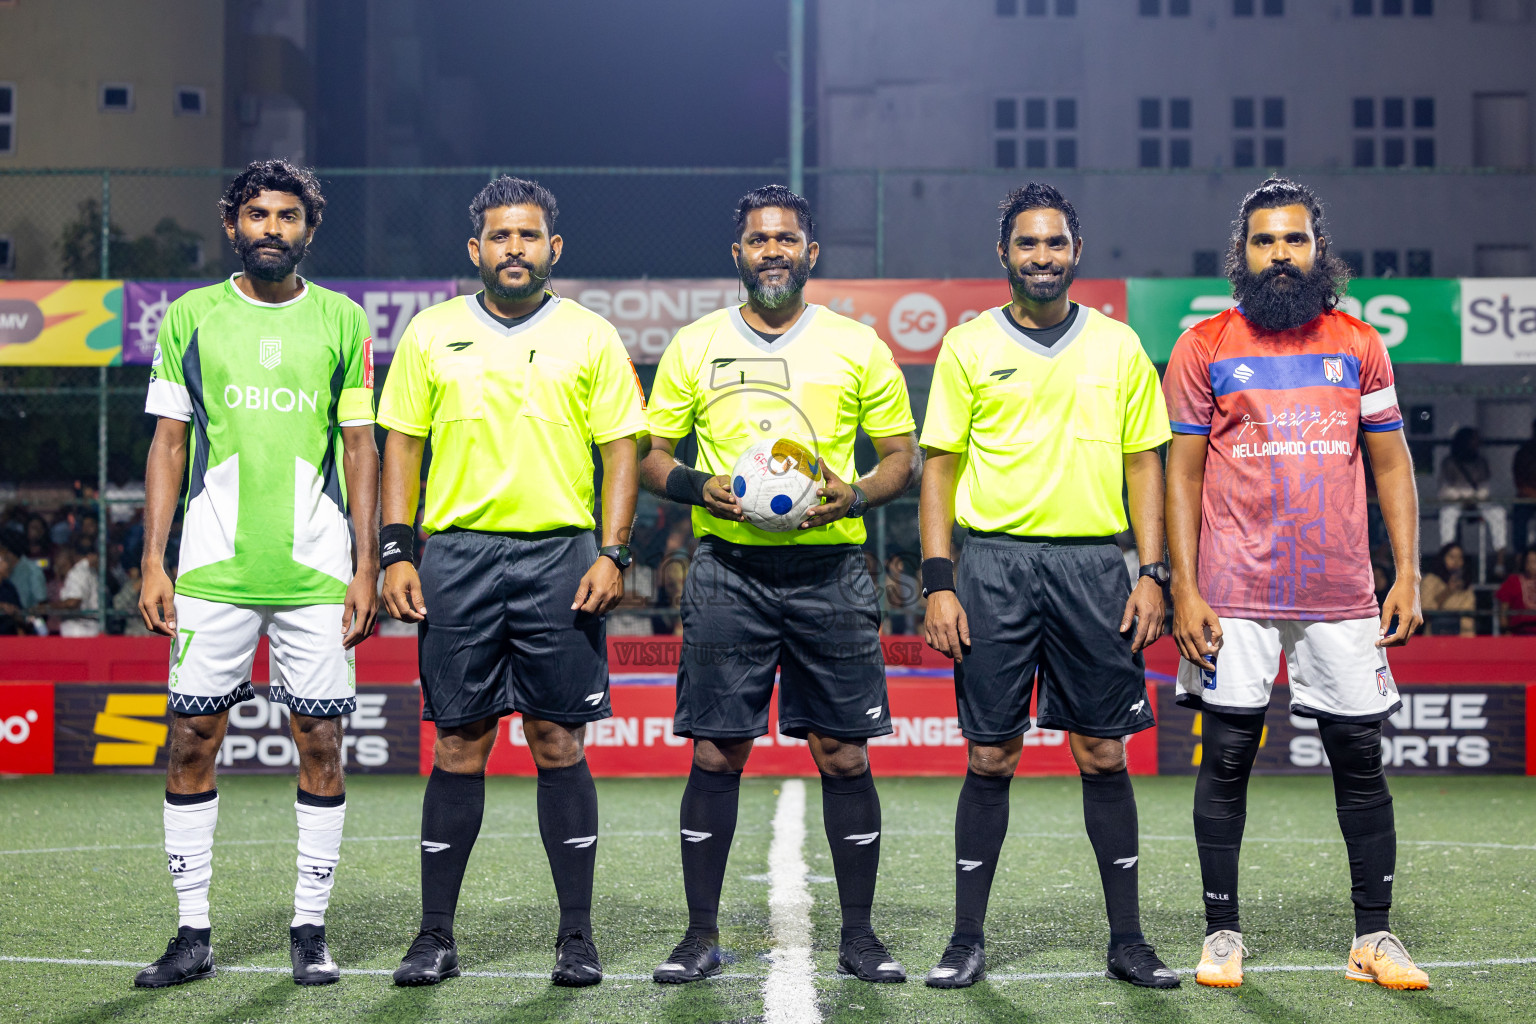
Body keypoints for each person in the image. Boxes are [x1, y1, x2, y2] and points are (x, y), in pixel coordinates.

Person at [640, 184, 919, 984]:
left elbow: (902, 456)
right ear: (738, 254)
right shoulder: (695, 345)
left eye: (787, 239)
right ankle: (700, 935)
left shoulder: (857, 346)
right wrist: (700, 487)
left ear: (810, 254)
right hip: (728, 571)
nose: (773, 251)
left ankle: (859, 937)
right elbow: (654, 455)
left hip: (831, 569)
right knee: (719, 752)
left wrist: (856, 492)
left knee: (842, 755)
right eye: (759, 239)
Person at [379, 176, 647, 988]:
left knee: (556, 739)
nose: (515, 249)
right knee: (459, 743)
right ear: (477, 250)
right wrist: (396, 551)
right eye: (500, 236)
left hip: (560, 558)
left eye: (529, 236)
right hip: (455, 557)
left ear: (553, 249)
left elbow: (621, 451)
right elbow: (401, 446)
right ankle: (433, 937)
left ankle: (576, 937)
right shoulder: (430, 334)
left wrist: (615, 551)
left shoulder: (591, 337)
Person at [1165, 177, 1428, 990]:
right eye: (1264, 242)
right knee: (1230, 754)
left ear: (1319, 248)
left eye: (1294, 240)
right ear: (1240, 254)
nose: (1280, 255)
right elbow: (1180, 475)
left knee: (1359, 756)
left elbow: (1391, 462)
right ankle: (1221, 934)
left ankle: (1374, 939)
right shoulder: (1203, 345)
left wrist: (1408, 572)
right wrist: (1184, 586)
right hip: (1233, 587)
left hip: (1341, 587)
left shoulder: (1360, 344)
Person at [919, 183, 1176, 991]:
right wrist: (939, 582)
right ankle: (965, 939)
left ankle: (1128, 941)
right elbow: (939, 469)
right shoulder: (966, 347)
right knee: (991, 755)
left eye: (1054, 244)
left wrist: (1153, 570)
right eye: (1027, 244)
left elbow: (1146, 464)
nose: (1041, 257)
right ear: (1004, 254)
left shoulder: (1119, 347)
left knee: (1102, 753)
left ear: (1076, 252)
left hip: (1095, 568)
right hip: (993, 566)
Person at [132, 160, 379, 988]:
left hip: (316, 573)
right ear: (231, 222)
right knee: (191, 741)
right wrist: (154, 560)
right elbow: (168, 443)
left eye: (288, 216)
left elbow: (360, 448)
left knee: (321, 743)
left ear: (311, 228)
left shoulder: (344, 321)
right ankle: (192, 932)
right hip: (210, 571)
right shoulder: (190, 316)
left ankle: (309, 930)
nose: (272, 227)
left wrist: (366, 568)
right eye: (258, 214)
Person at [1436, 426, 1507, 555]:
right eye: (1473, 441)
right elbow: (1444, 490)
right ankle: (1448, 554)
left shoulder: (1481, 462)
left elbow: (1486, 488)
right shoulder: (1449, 462)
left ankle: (1500, 559)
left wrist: (1473, 498)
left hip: (1478, 500)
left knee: (1498, 513)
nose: (1476, 445)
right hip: (1455, 501)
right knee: (1447, 514)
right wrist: (1463, 497)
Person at [1419, 543, 1475, 636]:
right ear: (1443, 558)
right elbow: (1426, 609)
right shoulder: (1431, 580)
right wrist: (1448, 591)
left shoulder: (1466, 585)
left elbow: (1469, 611)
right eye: (1452, 557)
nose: (1456, 561)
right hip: (1435, 634)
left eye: (1460, 558)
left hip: (1461, 635)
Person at [56, 542, 101, 637]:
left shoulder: (76, 572)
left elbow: (73, 602)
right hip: (92, 630)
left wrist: (49, 607)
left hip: (77, 632)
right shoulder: (91, 572)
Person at [1496, 549, 1536, 635]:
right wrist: (1505, 631)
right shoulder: (1513, 581)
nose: (1532, 565)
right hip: (1519, 633)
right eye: (1530, 561)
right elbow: (1503, 609)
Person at [1512, 417, 1536, 553]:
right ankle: (1520, 556)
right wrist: (1531, 493)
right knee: (1519, 517)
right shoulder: (1524, 452)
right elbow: (1518, 479)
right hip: (1526, 496)